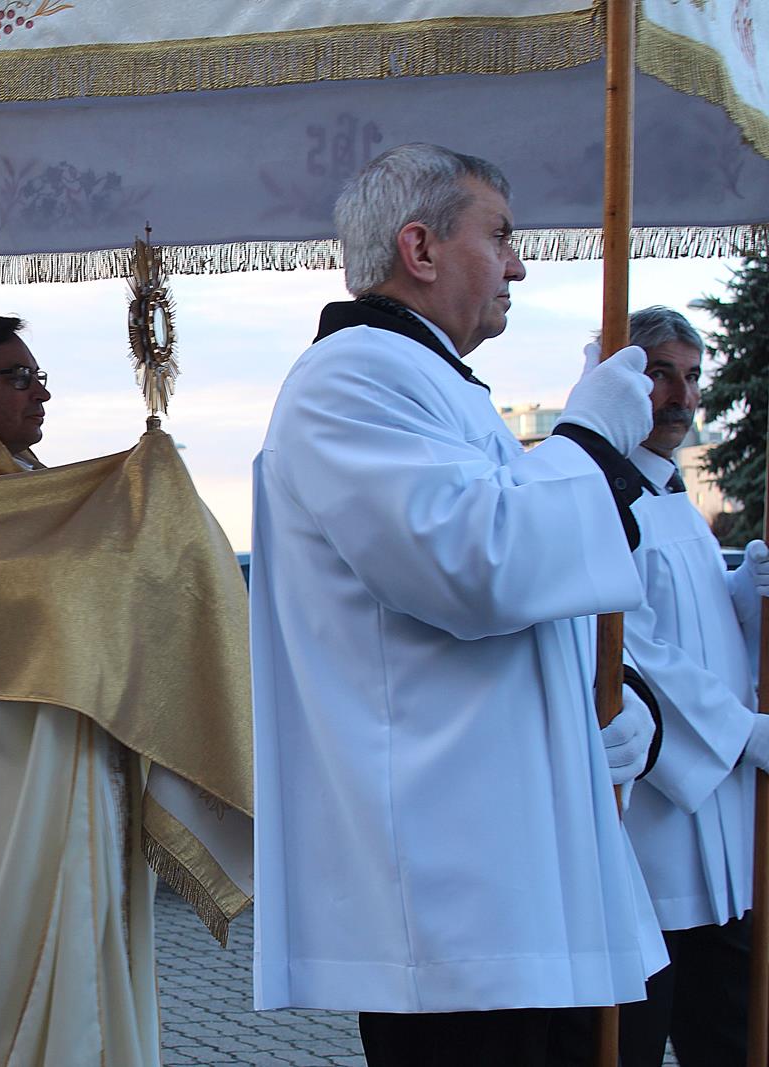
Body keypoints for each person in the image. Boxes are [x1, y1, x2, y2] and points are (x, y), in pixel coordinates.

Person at [248, 144, 668, 1065]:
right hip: (450, 888)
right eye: (501, 236)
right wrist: (590, 440)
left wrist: (611, 704)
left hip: (514, 868)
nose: (519, 266)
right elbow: (475, 564)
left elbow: (532, 594)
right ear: (421, 248)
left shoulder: (432, 381)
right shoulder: (353, 378)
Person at [0, 317, 255, 1066]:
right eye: (19, 377)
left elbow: (81, 578)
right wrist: (137, 489)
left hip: (55, 752)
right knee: (12, 957)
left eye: (39, 376)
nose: (40, 392)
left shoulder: (18, 484)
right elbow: (44, 582)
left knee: (85, 934)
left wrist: (144, 498)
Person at [614, 306, 769, 1066]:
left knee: (731, 1028)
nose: (681, 396)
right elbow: (629, 649)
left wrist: (744, 591)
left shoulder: (673, 494)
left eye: (692, 377)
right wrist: (740, 733)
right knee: (641, 1027)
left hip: (724, 822)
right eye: (660, 375)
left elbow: (700, 627)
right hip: (658, 816)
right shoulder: (612, 501)